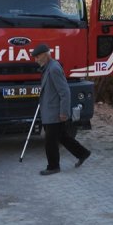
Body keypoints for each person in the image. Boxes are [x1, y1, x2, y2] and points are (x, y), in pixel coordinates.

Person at [33, 43, 90, 175]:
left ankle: (53, 167)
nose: (35, 60)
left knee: (50, 142)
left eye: (37, 57)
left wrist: (64, 112)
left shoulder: (53, 69)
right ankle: (83, 153)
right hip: (50, 110)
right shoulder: (47, 68)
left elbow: (65, 92)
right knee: (63, 137)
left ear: (45, 55)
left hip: (55, 112)